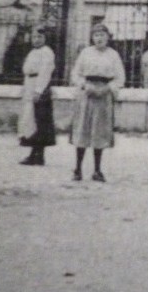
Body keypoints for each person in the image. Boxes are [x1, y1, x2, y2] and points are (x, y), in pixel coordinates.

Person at [70, 23, 125, 182]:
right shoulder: (85, 53)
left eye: (102, 35)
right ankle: (78, 169)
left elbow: (120, 78)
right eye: (96, 35)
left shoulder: (113, 55)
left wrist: (108, 88)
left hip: (103, 95)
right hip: (86, 94)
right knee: (83, 129)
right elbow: (76, 74)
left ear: (108, 37)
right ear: (92, 37)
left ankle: (97, 170)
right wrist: (84, 86)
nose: (99, 38)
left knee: (99, 132)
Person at [18, 26, 57, 166]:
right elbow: (27, 71)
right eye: (34, 37)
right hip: (30, 85)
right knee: (30, 120)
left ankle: (38, 155)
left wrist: (39, 90)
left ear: (45, 38)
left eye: (40, 37)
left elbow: (45, 73)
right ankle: (34, 154)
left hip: (39, 88)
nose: (36, 39)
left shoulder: (47, 53)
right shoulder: (33, 52)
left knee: (40, 121)